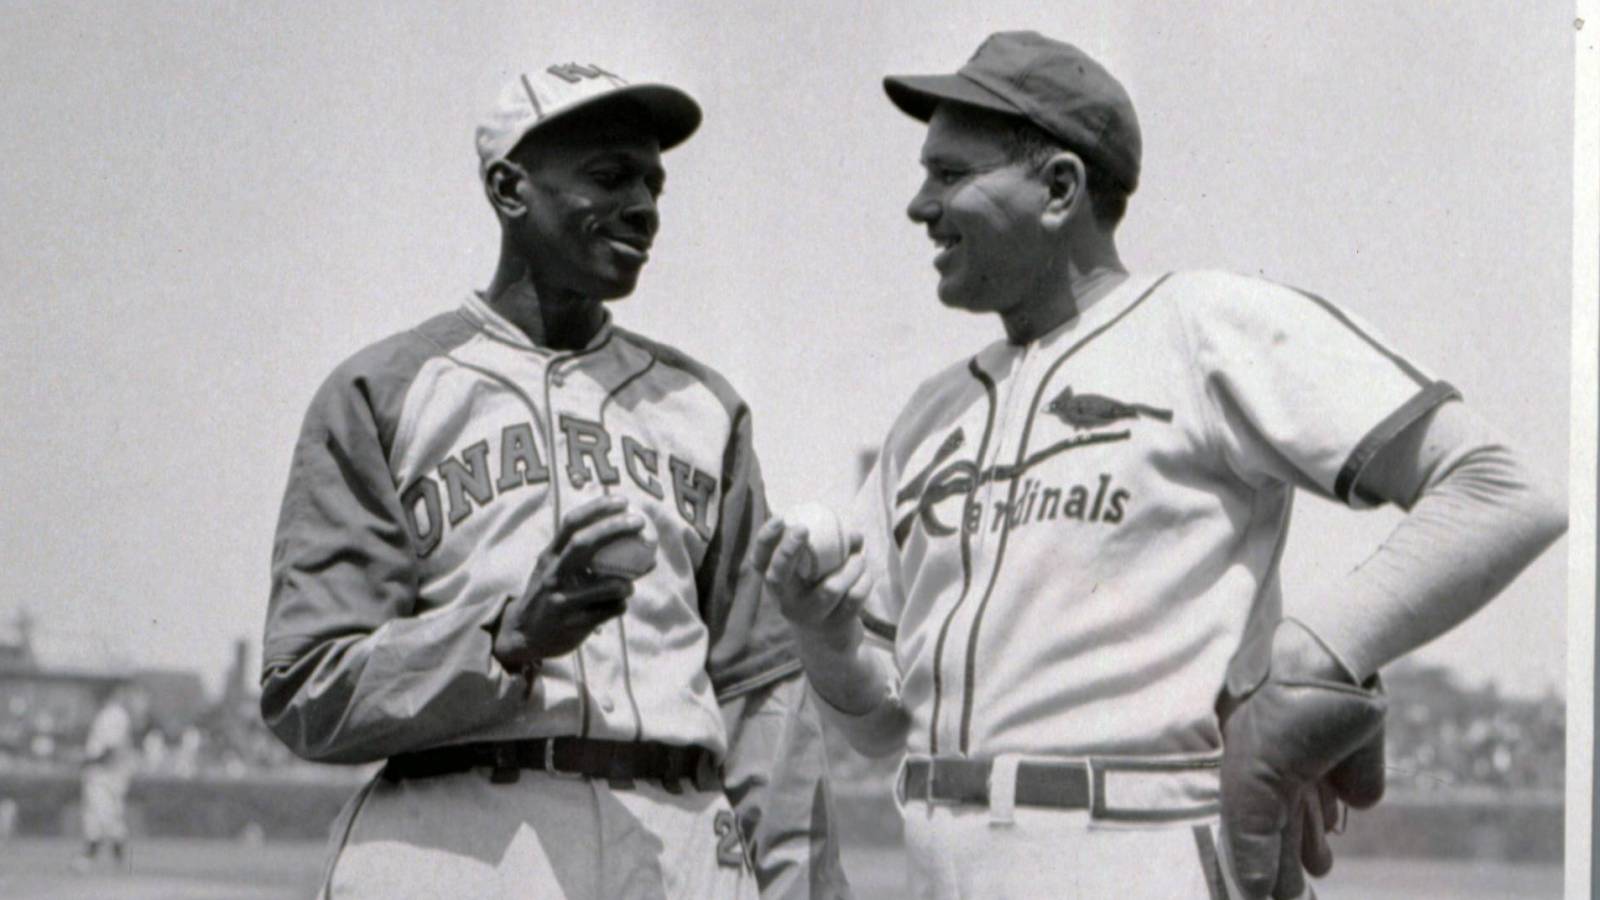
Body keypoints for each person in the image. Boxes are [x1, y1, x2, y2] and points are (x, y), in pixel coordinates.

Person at [752, 30, 1567, 900]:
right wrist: (821, 630)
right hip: (936, 862)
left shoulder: (1203, 327)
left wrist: (1312, 655)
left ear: (1060, 188)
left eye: (951, 175)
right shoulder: (928, 415)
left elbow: (1500, 489)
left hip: (1136, 849)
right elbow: (880, 726)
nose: (920, 206)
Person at [261, 62, 848, 900]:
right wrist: (503, 639)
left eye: (654, 184)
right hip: (463, 836)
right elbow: (305, 685)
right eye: (610, 177)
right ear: (510, 189)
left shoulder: (703, 407)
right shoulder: (384, 391)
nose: (644, 208)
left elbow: (764, 699)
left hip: (676, 838)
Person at [77, 685, 142, 873]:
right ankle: (117, 860)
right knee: (105, 816)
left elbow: (110, 747)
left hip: (106, 773)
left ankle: (90, 857)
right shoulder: (111, 713)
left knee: (102, 815)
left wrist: (88, 760)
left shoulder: (113, 714)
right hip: (106, 771)